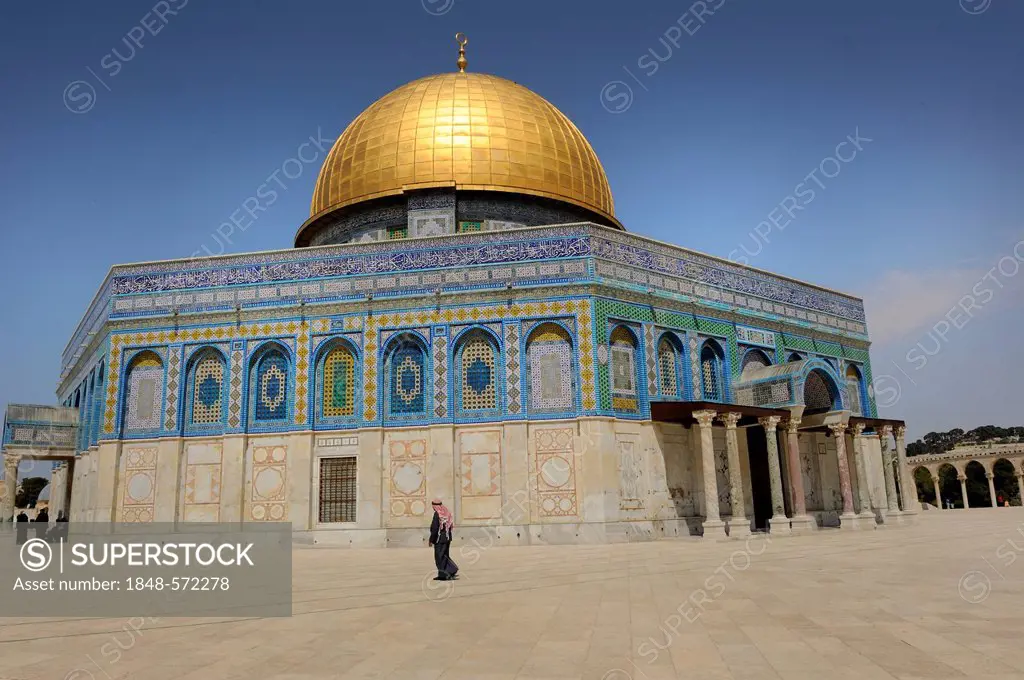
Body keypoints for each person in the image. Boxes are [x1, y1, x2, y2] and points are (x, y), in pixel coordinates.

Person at [428, 499, 458, 581]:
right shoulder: (447, 513)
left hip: (439, 539)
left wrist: (431, 540)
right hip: (447, 538)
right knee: (445, 556)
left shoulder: (437, 514)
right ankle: (449, 571)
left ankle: (444, 574)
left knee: (439, 557)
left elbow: (435, 528)